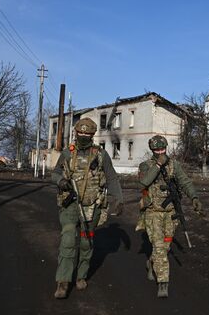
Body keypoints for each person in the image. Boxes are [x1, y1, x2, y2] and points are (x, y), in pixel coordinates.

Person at [52, 117, 124, 299]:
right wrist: (61, 182)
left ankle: (81, 276)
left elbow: (112, 178)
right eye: (80, 133)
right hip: (70, 205)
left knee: (86, 243)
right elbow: (56, 172)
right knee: (67, 240)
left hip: (92, 206)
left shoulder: (101, 155)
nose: (83, 136)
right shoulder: (68, 153)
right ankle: (63, 281)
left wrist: (118, 199)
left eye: (87, 134)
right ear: (76, 133)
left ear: (92, 135)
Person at [137, 135, 202, 298]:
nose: (160, 152)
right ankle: (163, 284)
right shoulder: (146, 165)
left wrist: (194, 197)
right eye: (157, 150)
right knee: (159, 247)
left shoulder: (174, 165)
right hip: (154, 212)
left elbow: (185, 182)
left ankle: (152, 262)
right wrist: (158, 165)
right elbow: (144, 182)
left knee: (165, 246)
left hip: (171, 213)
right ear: (152, 150)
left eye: (163, 149)